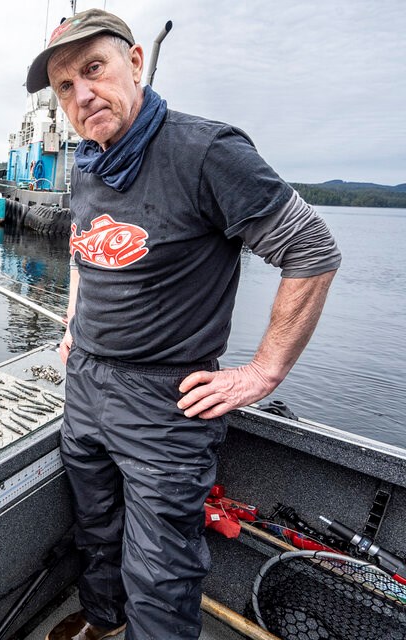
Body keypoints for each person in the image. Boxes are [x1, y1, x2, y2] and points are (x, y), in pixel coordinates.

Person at [25, 9, 341, 640]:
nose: (82, 94)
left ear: (135, 62)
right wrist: (73, 321)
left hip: (166, 404)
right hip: (85, 382)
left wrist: (262, 372)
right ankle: (105, 626)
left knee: (160, 571)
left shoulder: (207, 151)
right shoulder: (90, 162)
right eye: (65, 86)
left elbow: (311, 249)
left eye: (94, 69)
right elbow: (91, 248)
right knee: (96, 528)